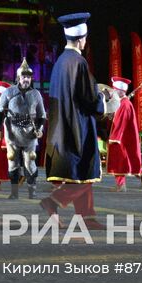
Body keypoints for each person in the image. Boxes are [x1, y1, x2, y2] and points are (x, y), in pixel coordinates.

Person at [42, 13, 108, 228]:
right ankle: (54, 201)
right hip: (77, 124)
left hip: (62, 123)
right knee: (84, 168)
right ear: (81, 39)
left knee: (80, 173)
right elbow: (89, 98)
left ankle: (87, 217)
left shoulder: (61, 61)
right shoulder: (79, 62)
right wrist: (103, 100)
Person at [0, 59, 47, 200]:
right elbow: (0, 111)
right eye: (24, 77)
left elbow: (42, 115)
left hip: (29, 132)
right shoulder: (8, 92)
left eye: (28, 77)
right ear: (19, 78)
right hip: (12, 131)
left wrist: (40, 129)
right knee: (12, 160)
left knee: (30, 160)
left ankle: (32, 191)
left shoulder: (36, 94)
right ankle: (14, 192)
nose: (26, 79)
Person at [106, 77, 142, 191]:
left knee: (119, 161)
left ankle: (121, 185)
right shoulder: (122, 103)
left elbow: (121, 122)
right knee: (127, 160)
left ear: (120, 91)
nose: (113, 93)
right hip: (124, 137)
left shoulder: (124, 104)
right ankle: (141, 174)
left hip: (121, 138)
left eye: (115, 90)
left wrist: (114, 138)